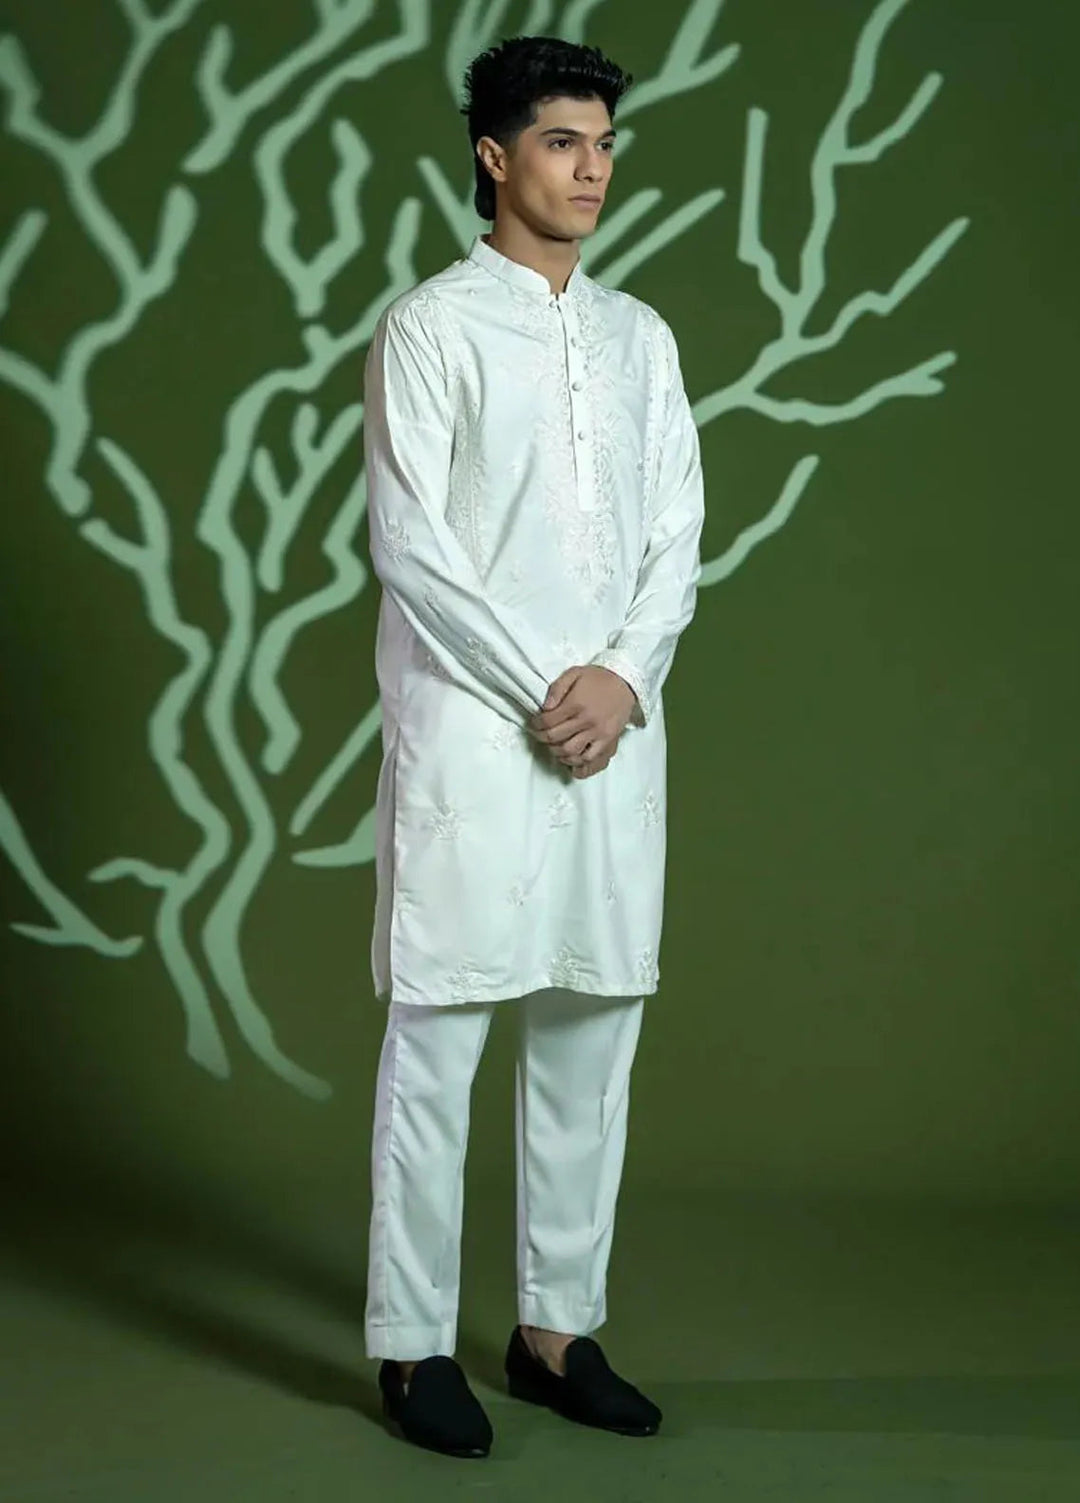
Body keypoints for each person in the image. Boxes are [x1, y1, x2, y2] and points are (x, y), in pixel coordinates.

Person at [361, 33, 705, 1459]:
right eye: (565, 141)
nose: (593, 170)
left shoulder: (640, 339)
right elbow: (411, 544)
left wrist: (621, 680)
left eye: (605, 144)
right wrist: (545, 695)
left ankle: (556, 1332)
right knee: (438, 1030)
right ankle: (412, 1344)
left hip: (615, 737)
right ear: (495, 156)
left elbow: (678, 530)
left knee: (591, 1027)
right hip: (474, 730)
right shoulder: (431, 328)